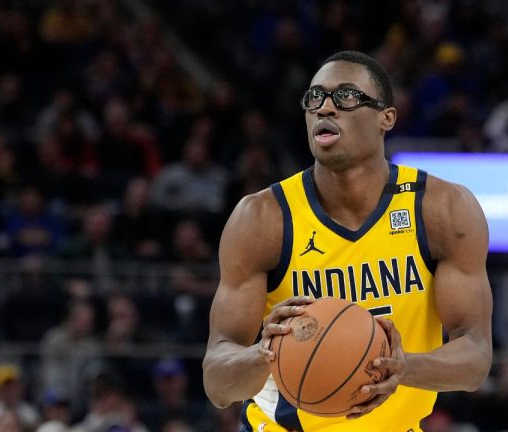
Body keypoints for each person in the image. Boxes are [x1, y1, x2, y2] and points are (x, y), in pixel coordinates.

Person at [202, 50, 493, 431]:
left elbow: (475, 358)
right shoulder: (262, 218)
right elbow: (217, 382)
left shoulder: (442, 209)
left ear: (386, 117)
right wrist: (262, 355)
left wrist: (404, 368)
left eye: (346, 97)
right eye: (315, 98)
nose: (325, 108)